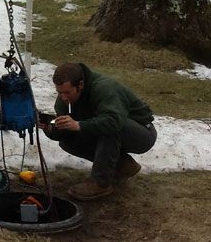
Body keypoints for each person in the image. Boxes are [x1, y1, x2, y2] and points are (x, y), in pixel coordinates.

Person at [38, 62, 157, 201]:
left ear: (80, 85)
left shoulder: (103, 88)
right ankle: (123, 165)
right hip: (115, 129)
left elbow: (113, 121)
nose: (63, 97)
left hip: (142, 133)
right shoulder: (64, 99)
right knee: (68, 142)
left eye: (67, 92)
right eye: (59, 92)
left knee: (109, 128)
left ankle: (101, 183)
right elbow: (66, 131)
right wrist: (50, 129)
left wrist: (78, 125)